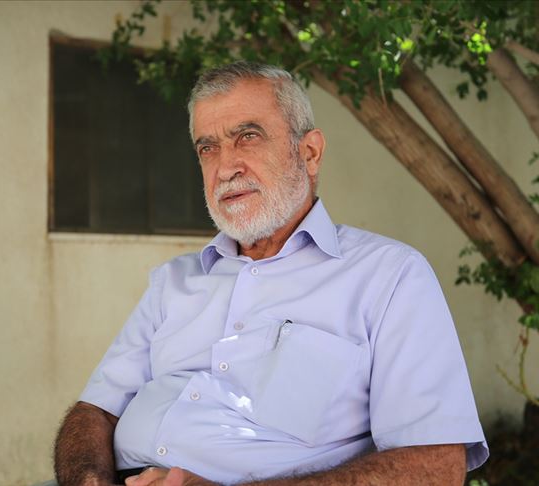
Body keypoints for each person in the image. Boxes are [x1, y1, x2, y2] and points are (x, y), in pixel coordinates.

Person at [52, 62, 488, 486]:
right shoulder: (174, 281)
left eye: (248, 137)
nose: (226, 168)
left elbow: (434, 467)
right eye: (208, 148)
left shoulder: (389, 276)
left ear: (309, 152)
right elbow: (95, 411)